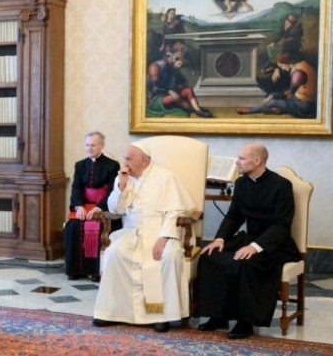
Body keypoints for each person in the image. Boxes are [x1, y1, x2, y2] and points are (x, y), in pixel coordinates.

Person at [196, 143, 300, 339]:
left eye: (242, 158)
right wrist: (220, 239)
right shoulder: (242, 183)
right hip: (250, 237)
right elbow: (233, 216)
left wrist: (255, 247)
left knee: (246, 263)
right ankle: (218, 316)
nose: (237, 162)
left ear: (257, 160)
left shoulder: (282, 186)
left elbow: (281, 225)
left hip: (274, 243)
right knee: (210, 256)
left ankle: (246, 322)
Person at [92, 142, 194, 333]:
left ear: (144, 161)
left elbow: (174, 211)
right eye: (124, 158)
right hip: (132, 232)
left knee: (168, 256)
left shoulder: (165, 177)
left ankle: (161, 315)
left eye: (129, 159)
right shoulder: (123, 178)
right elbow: (115, 210)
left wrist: (164, 238)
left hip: (161, 232)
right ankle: (113, 312)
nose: (124, 163)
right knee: (114, 252)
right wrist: (121, 187)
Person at [63, 131, 120, 281]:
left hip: (102, 207)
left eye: (93, 145)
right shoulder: (80, 165)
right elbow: (76, 188)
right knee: (73, 226)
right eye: (87, 145)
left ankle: (95, 271)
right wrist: (79, 207)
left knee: (96, 225)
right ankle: (74, 270)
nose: (89, 148)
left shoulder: (112, 165)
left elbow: (112, 191)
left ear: (102, 146)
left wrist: (98, 208)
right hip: (84, 205)